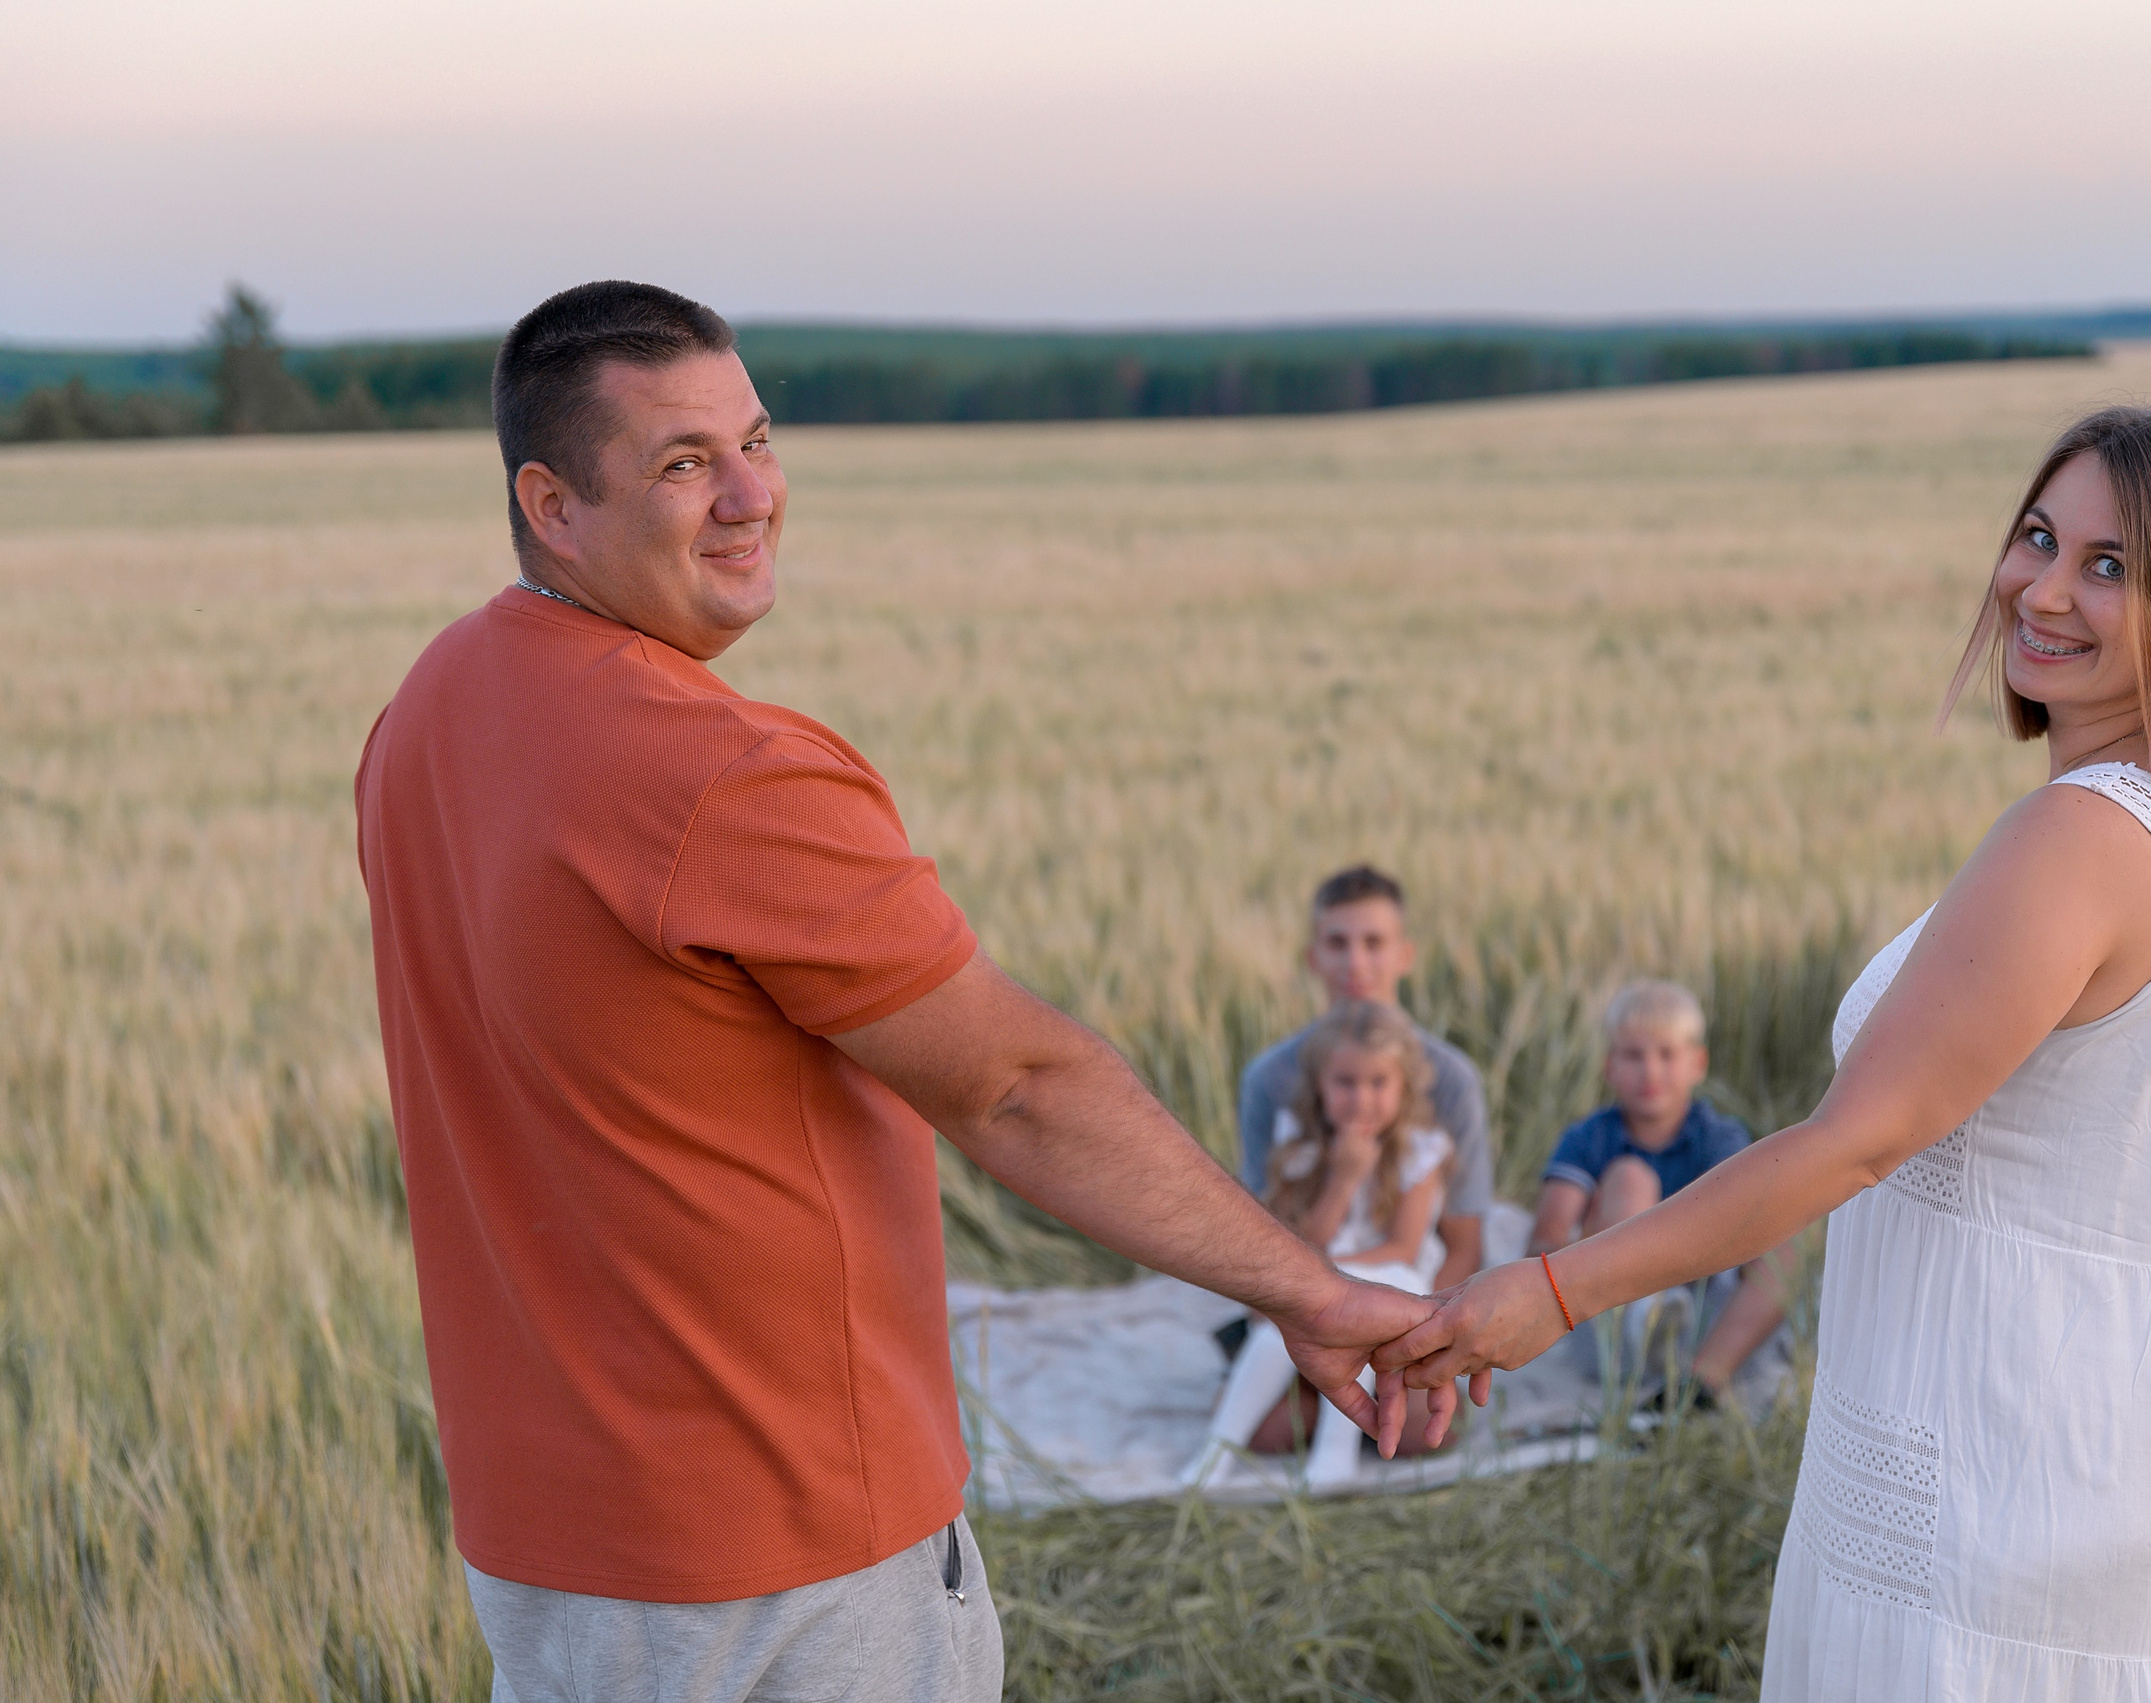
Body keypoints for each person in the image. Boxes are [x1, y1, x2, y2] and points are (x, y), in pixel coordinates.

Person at [353, 281, 1451, 1703]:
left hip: (544, 1545)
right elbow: (1016, 1086)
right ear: (551, 503)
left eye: (757, 440)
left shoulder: (424, 713)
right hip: (788, 1549)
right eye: (684, 462)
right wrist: (1306, 1288)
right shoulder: (723, 773)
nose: (752, 495)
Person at [1381, 403, 2151, 1701]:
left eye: (2110, 565)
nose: (2040, 589)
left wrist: (1558, 1289)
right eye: (2038, 536)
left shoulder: (2081, 838)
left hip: (2010, 1437)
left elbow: (1853, 1143)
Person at [1185, 1001, 1454, 1490]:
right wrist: (1344, 1178)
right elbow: (1302, 1243)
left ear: (1403, 1086)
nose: (1361, 1099)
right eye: (1345, 1083)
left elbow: (1402, 1249)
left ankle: (1335, 1449)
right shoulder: (1302, 1149)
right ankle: (1215, 1453)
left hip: (1395, 1289)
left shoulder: (1419, 1150)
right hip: (1323, 1291)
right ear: (1320, 1086)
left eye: (1378, 1083)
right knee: (1278, 1328)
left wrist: (1324, 1277)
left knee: (1364, 1296)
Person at [1527, 981, 1793, 1410]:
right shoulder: (1588, 1137)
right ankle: (1643, 1313)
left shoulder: (1720, 1137)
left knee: (1788, 1242)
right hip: (1610, 1320)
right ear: (1609, 1066)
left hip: (1698, 1308)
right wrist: (1583, 1248)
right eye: (1634, 1056)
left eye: (1666, 1054)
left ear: (1697, 1064)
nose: (1650, 1072)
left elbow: (1745, 1224)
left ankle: (1699, 1386)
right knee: (1631, 1179)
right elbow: (1547, 1236)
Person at [1237, 866, 1493, 1287]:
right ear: (1313, 957)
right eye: (1337, 943)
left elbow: (1464, 1248)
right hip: (1302, 1293)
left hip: (1413, 1294)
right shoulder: (1269, 1078)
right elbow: (1263, 1235)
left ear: (1404, 956)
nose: (1355, 964)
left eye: (1374, 943)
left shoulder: (1451, 1077)